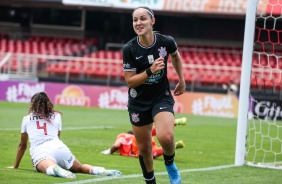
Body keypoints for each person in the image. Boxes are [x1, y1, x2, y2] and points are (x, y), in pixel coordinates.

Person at [122, 6, 186, 184]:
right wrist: (150, 71)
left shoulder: (166, 41)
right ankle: (150, 181)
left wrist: (181, 79)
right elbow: (130, 81)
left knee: (166, 137)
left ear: (152, 21)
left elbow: (175, 57)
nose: (138, 23)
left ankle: (170, 165)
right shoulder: (130, 49)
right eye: (135, 20)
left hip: (161, 96)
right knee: (144, 149)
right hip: (138, 102)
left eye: (142, 18)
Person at [10, 92, 122, 179]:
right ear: (47, 103)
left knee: (49, 167)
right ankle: (99, 170)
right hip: (59, 147)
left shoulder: (26, 119)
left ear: (32, 104)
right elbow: (58, 137)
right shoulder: (56, 115)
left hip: (40, 150)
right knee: (80, 167)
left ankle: (58, 170)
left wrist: (15, 166)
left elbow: (22, 145)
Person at [101, 117, 187, 158]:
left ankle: (174, 145)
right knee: (152, 133)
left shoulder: (123, 136)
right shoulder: (128, 137)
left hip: (138, 147)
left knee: (152, 153)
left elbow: (116, 145)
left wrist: (109, 151)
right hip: (144, 146)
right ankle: (175, 122)